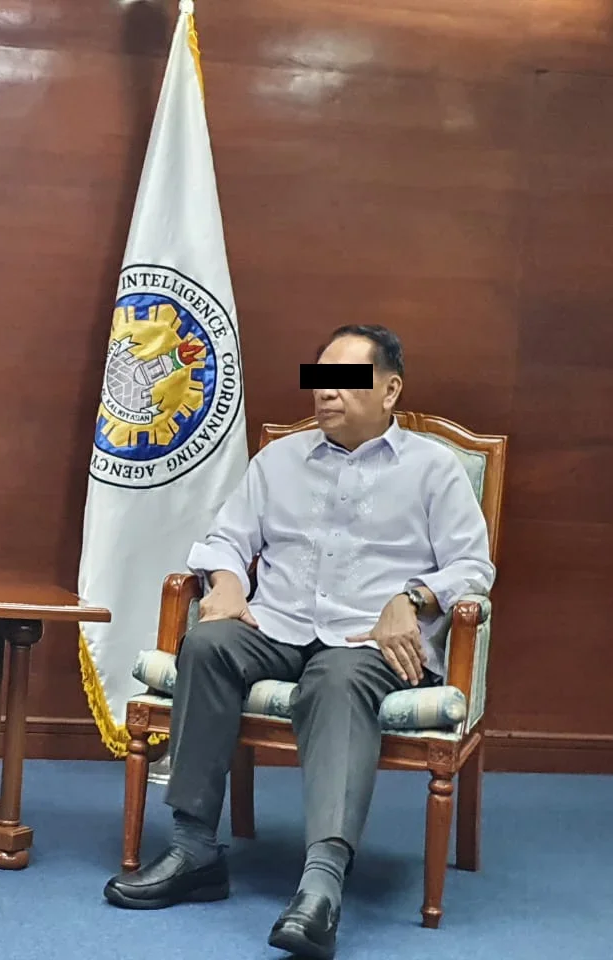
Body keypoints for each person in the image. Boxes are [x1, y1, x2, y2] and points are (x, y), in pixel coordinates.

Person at [102, 325, 495, 960]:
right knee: (207, 645)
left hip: (368, 641)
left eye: (346, 380)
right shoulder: (278, 460)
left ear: (390, 390)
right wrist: (226, 584)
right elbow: (226, 538)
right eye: (320, 377)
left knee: (336, 682)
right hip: (278, 624)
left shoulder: (433, 467)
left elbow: (474, 567)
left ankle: (320, 889)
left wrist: (413, 597)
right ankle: (194, 847)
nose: (326, 393)